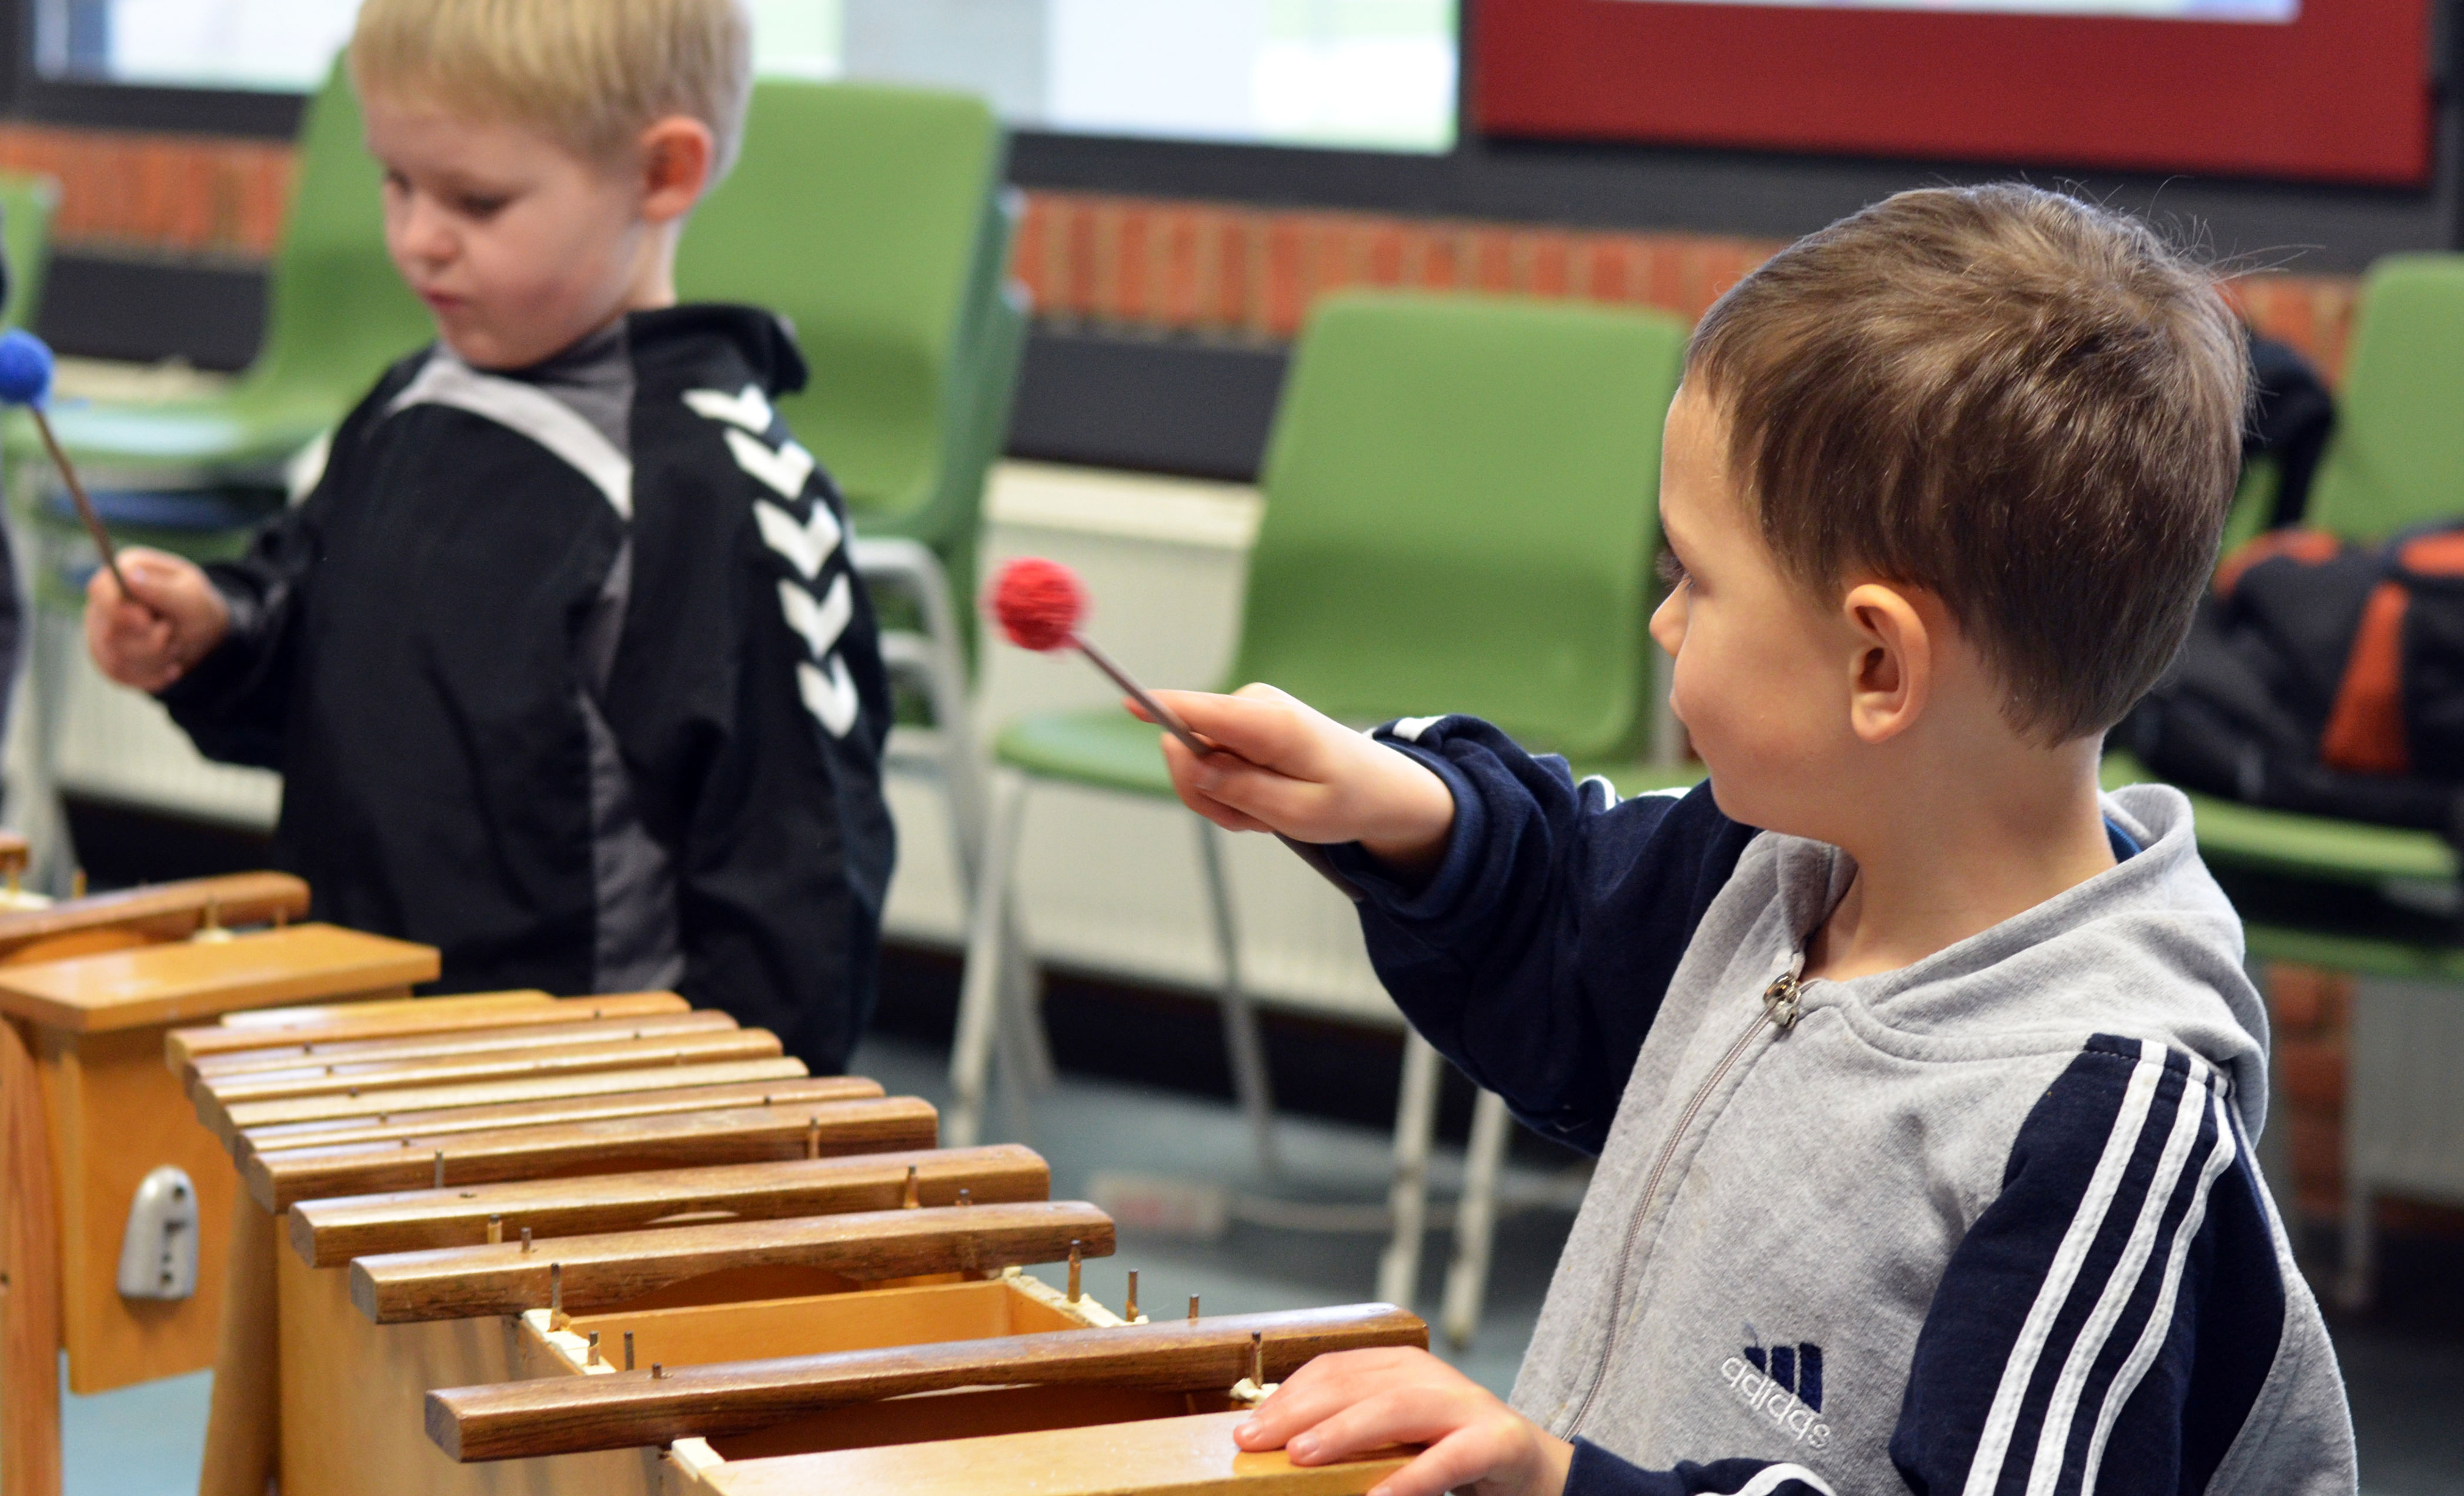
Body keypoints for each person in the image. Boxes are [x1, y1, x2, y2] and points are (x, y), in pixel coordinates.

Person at [1144, 186, 2356, 1494]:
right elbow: (1570, 920)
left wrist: (1558, 1480)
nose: (1661, 623)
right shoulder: (1786, 866)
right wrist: (1402, 810)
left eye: (1691, 578)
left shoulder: (2102, 1122)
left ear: (1877, 664)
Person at [81, 0, 893, 1073]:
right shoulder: (413, 401)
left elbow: (798, 901)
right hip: (346, 1056)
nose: (418, 237)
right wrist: (215, 633)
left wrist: (714, 1133)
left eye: (477, 200)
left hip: (566, 1114)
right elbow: (312, 669)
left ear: (660, 175)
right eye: (396, 182)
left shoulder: (717, 495)